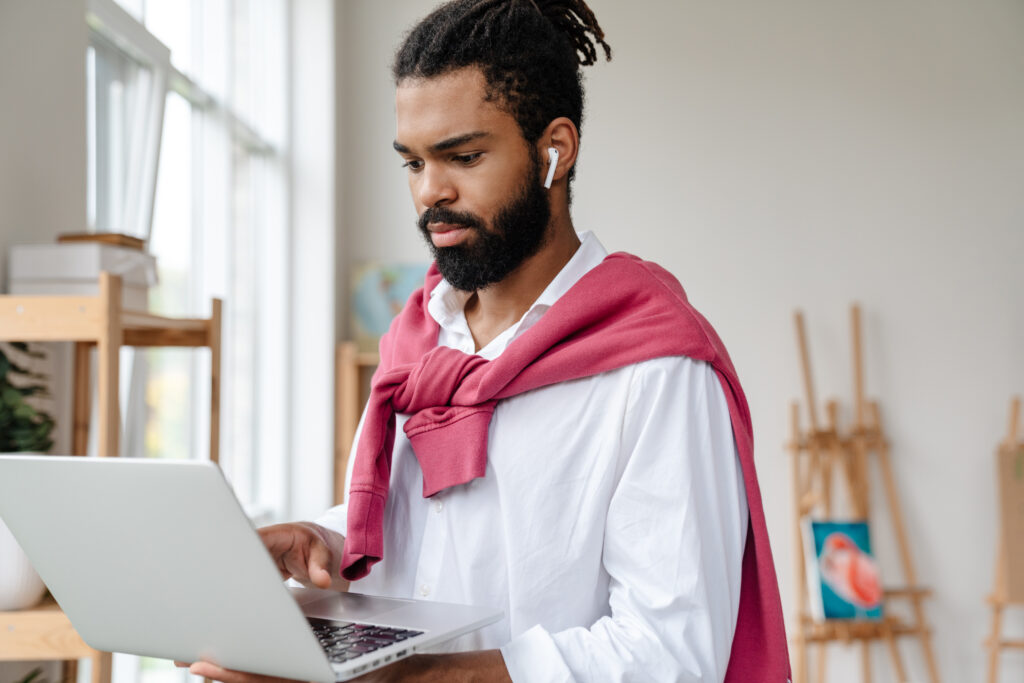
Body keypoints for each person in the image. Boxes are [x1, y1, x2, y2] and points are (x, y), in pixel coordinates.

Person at [188, 1, 790, 681]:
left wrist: (410, 677)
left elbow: (670, 653)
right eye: (412, 163)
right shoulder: (418, 339)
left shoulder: (658, 368)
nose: (429, 192)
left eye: (464, 157)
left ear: (554, 150)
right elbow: (435, 536)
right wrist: (326, 537)